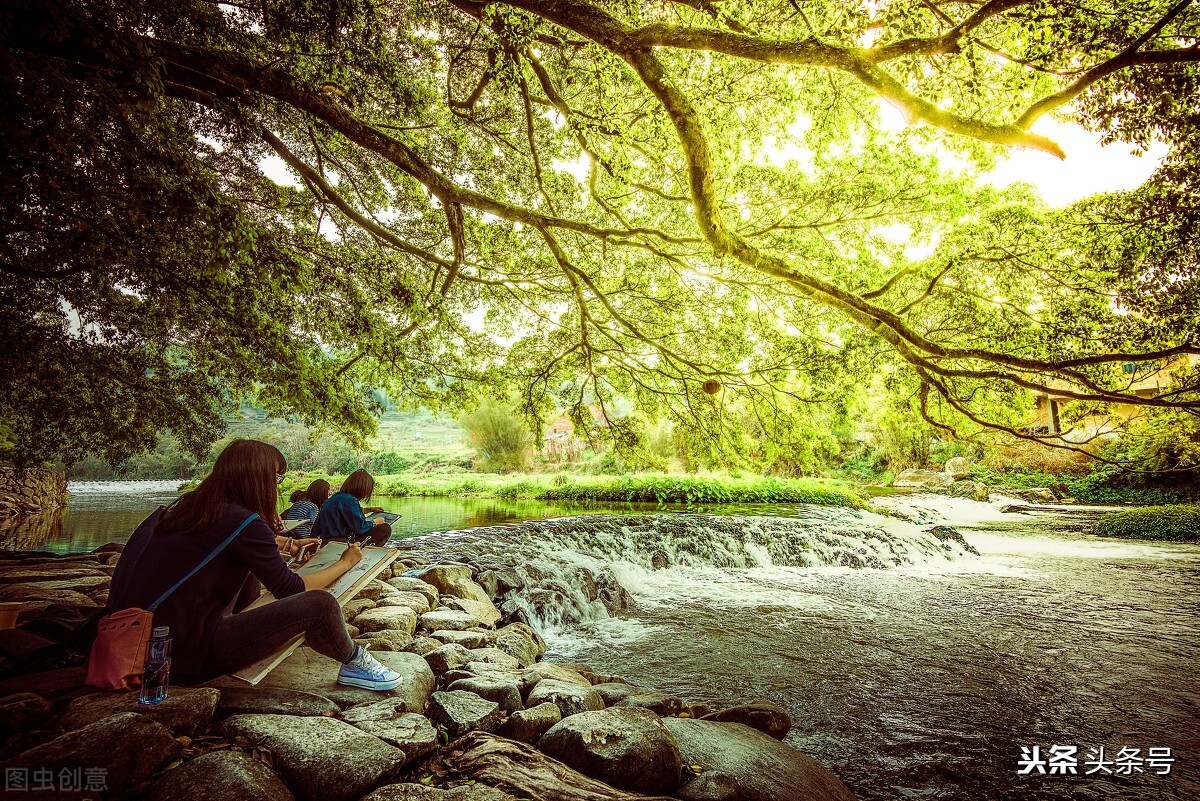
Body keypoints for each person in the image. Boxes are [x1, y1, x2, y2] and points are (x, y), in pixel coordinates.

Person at [107, 440, 402, 690]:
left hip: (144, 639)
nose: (276, 485)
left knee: (245, 567)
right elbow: (292, 589)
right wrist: (345, 563)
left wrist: (285, 544)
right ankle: (354, 661)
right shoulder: (244, 521)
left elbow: (220, 544)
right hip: (181, 658)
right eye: (276, 478)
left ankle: (256, 627)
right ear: (257, 478)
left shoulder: (188, 507)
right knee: (320, 604)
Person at [312, 469, 391, 547]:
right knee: (385, 529)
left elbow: (348, 513)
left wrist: (370, 509)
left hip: (324, 540)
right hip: (337, 542)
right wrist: (376, 522)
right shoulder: (349, 500)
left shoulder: (337, 497)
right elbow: (360, 528)